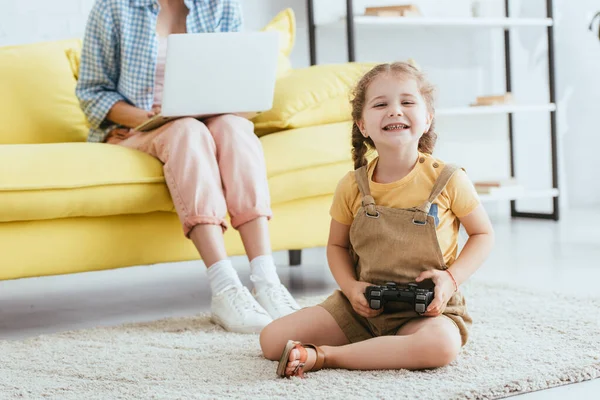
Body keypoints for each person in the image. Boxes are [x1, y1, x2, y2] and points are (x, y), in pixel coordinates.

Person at [75, 0, 300, 334]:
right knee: (187, 130)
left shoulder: (221, 5)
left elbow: (235, 77)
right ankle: (224, 287)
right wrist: (143, 117)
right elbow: (92, 93)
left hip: (208, 118)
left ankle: (267, 281)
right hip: (142, 126)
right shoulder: (112, 8)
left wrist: (236, 103)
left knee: (235, 129)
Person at [259, 61, 495, 377]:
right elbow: (336, 246)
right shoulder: (352, 186)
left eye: (407, 102)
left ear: (427, 118)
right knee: (271, 340)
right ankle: (380, 346)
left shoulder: (450, 180)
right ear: (362, 125)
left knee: (441, 345)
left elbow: (483, 235)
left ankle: (326, 357)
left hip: (427, 312)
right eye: (381, 104)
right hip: (362, 308)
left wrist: (450, 280)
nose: (395, 110)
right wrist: (352, 288)